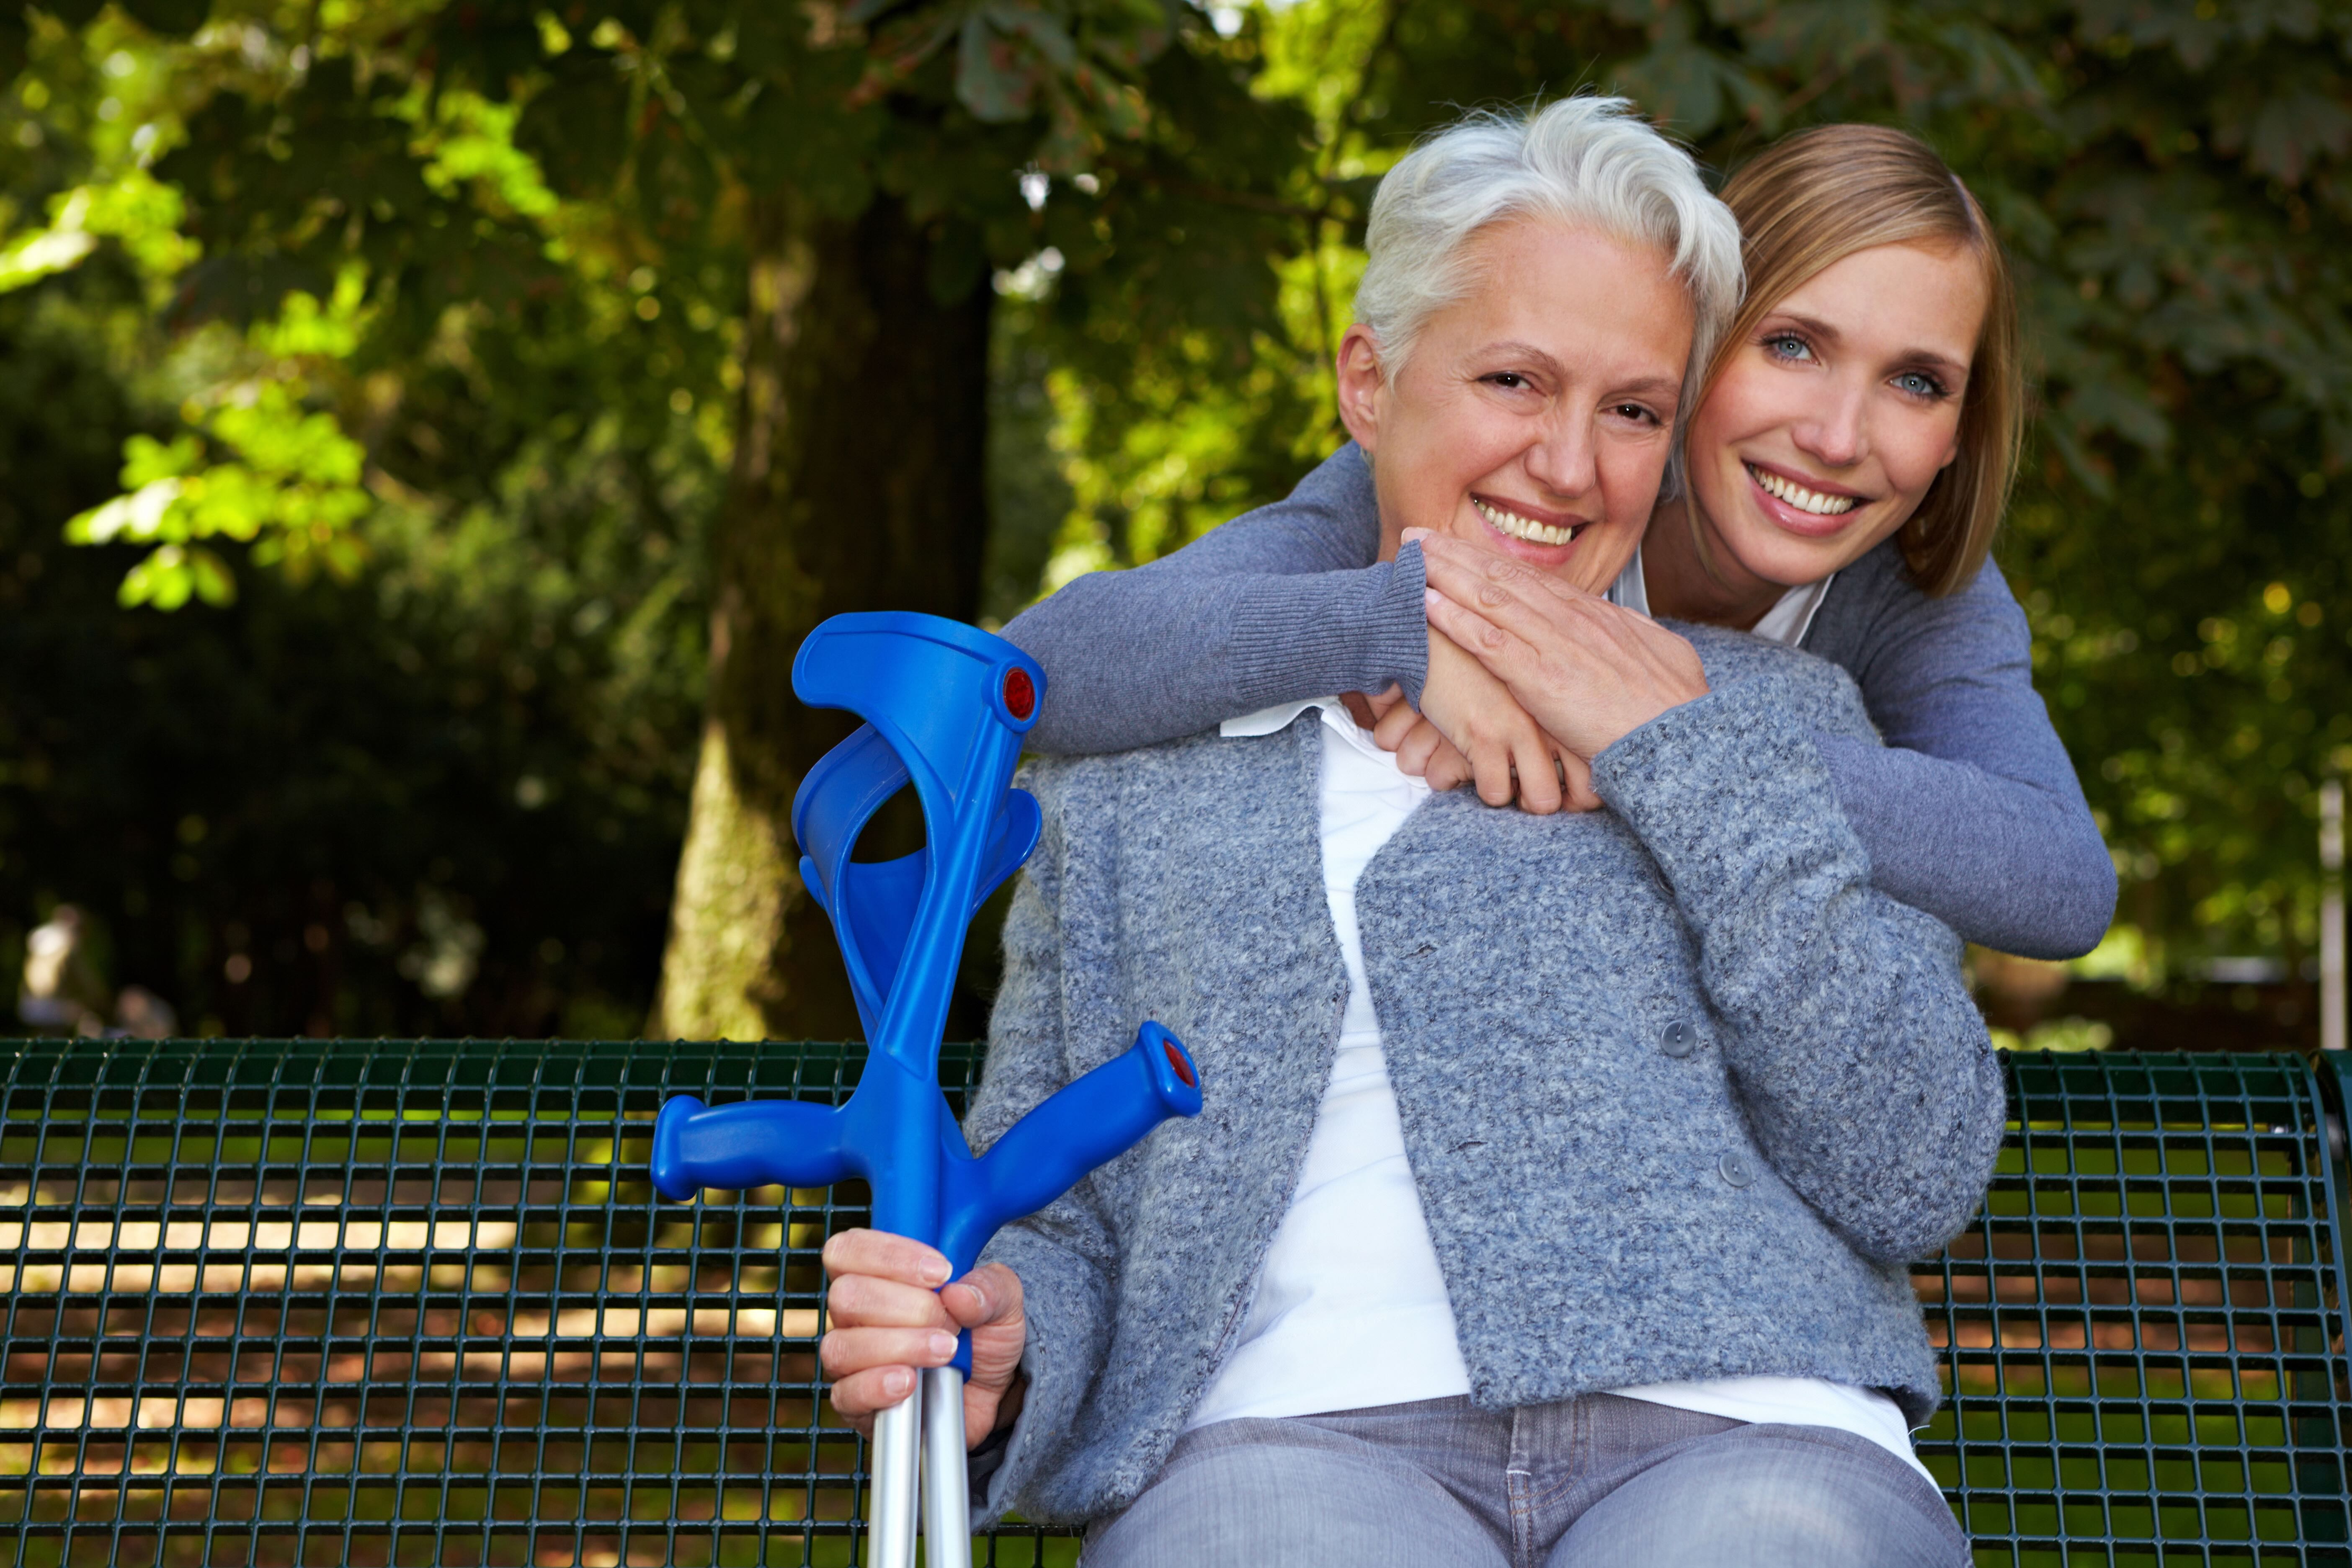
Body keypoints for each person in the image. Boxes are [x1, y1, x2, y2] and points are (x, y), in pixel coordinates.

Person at [819, 99, 2001, 1567]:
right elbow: (1055, 1207)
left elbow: (1914, 1166)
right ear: (1369, 384)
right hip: (1287, 1446)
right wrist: (1004, 1334)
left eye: (1634, 411)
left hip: (1752, 1433)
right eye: (1514, 381)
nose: (1568, 466)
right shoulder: (1146, 768)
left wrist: (1680, 760)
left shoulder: (1778, 719)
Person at [997, 122, 2116, 964]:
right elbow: (1045, 671)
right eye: (1792, 346)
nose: (1837, 437)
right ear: (1695, 346)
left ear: (1962, 431)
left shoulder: (1916, 577)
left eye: (1918, 382)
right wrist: (1401, 622)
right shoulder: (1467, 480)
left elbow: (2058, 878)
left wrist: (1641, 729)